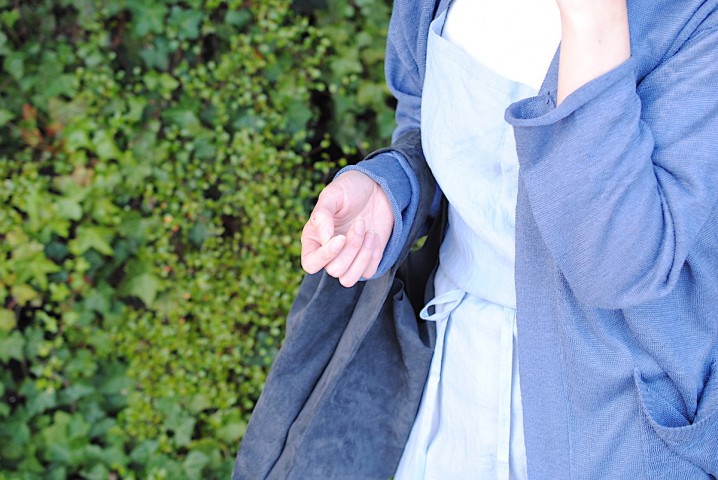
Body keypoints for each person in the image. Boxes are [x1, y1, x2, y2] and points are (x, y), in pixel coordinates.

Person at [300, 0, 718, 478]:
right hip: (452, 386)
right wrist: (393, 186)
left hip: (618, 427)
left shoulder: (699, 21)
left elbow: (615, 266)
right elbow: (420, 117)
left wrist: (593, 22)